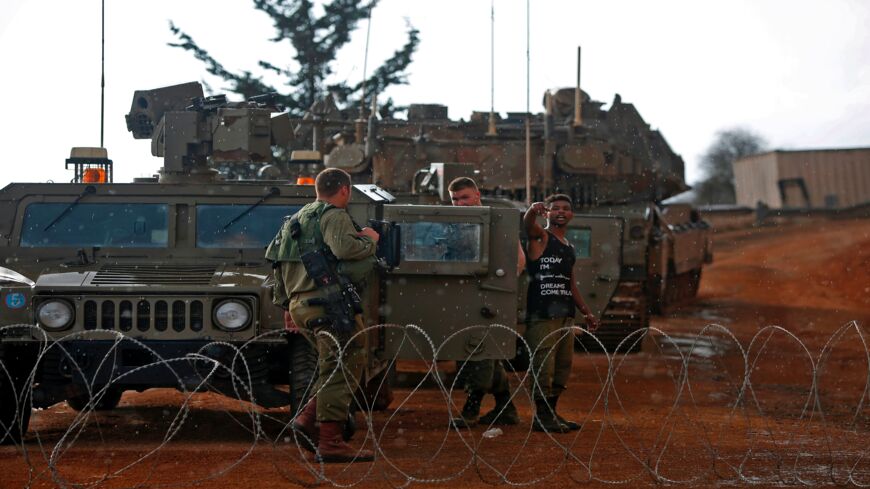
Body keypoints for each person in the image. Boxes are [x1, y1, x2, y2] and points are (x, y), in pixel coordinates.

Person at [266, 168, 380, 463]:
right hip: (328, 306)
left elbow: (276, 263)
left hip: (301, 306)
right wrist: (369, 240)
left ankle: (308, 419)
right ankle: (330, 441)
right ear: (345, 190)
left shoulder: (295, 220)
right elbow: (344, 247)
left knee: (331, 366)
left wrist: (286, 307)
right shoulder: (333, 215)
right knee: (344, 366)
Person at [447, 177, 526, 428]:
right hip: (463, 297)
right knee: (483, 353)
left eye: (465, 198)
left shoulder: (496, 221)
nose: (460, 204)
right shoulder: (453, 224)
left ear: (477, 194)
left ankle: (472, 408)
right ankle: (506, 407)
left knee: (477, 354)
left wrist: (499, 288)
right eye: (455, 200)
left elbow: (519, 259)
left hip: (488, 297)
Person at [524, 194, 599, 432]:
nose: (561, 212)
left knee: (561, 367)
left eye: (566, 209)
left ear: (571, 215)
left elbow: (571, 284)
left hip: (565, 314)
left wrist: (586, 313)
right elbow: (528, 226)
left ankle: (551, 413)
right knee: (543, 364)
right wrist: (531, 211)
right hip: (542, 313)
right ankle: (542, 416)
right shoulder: (541, 237)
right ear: (546, 213)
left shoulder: (569, 247)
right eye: (555, 208)